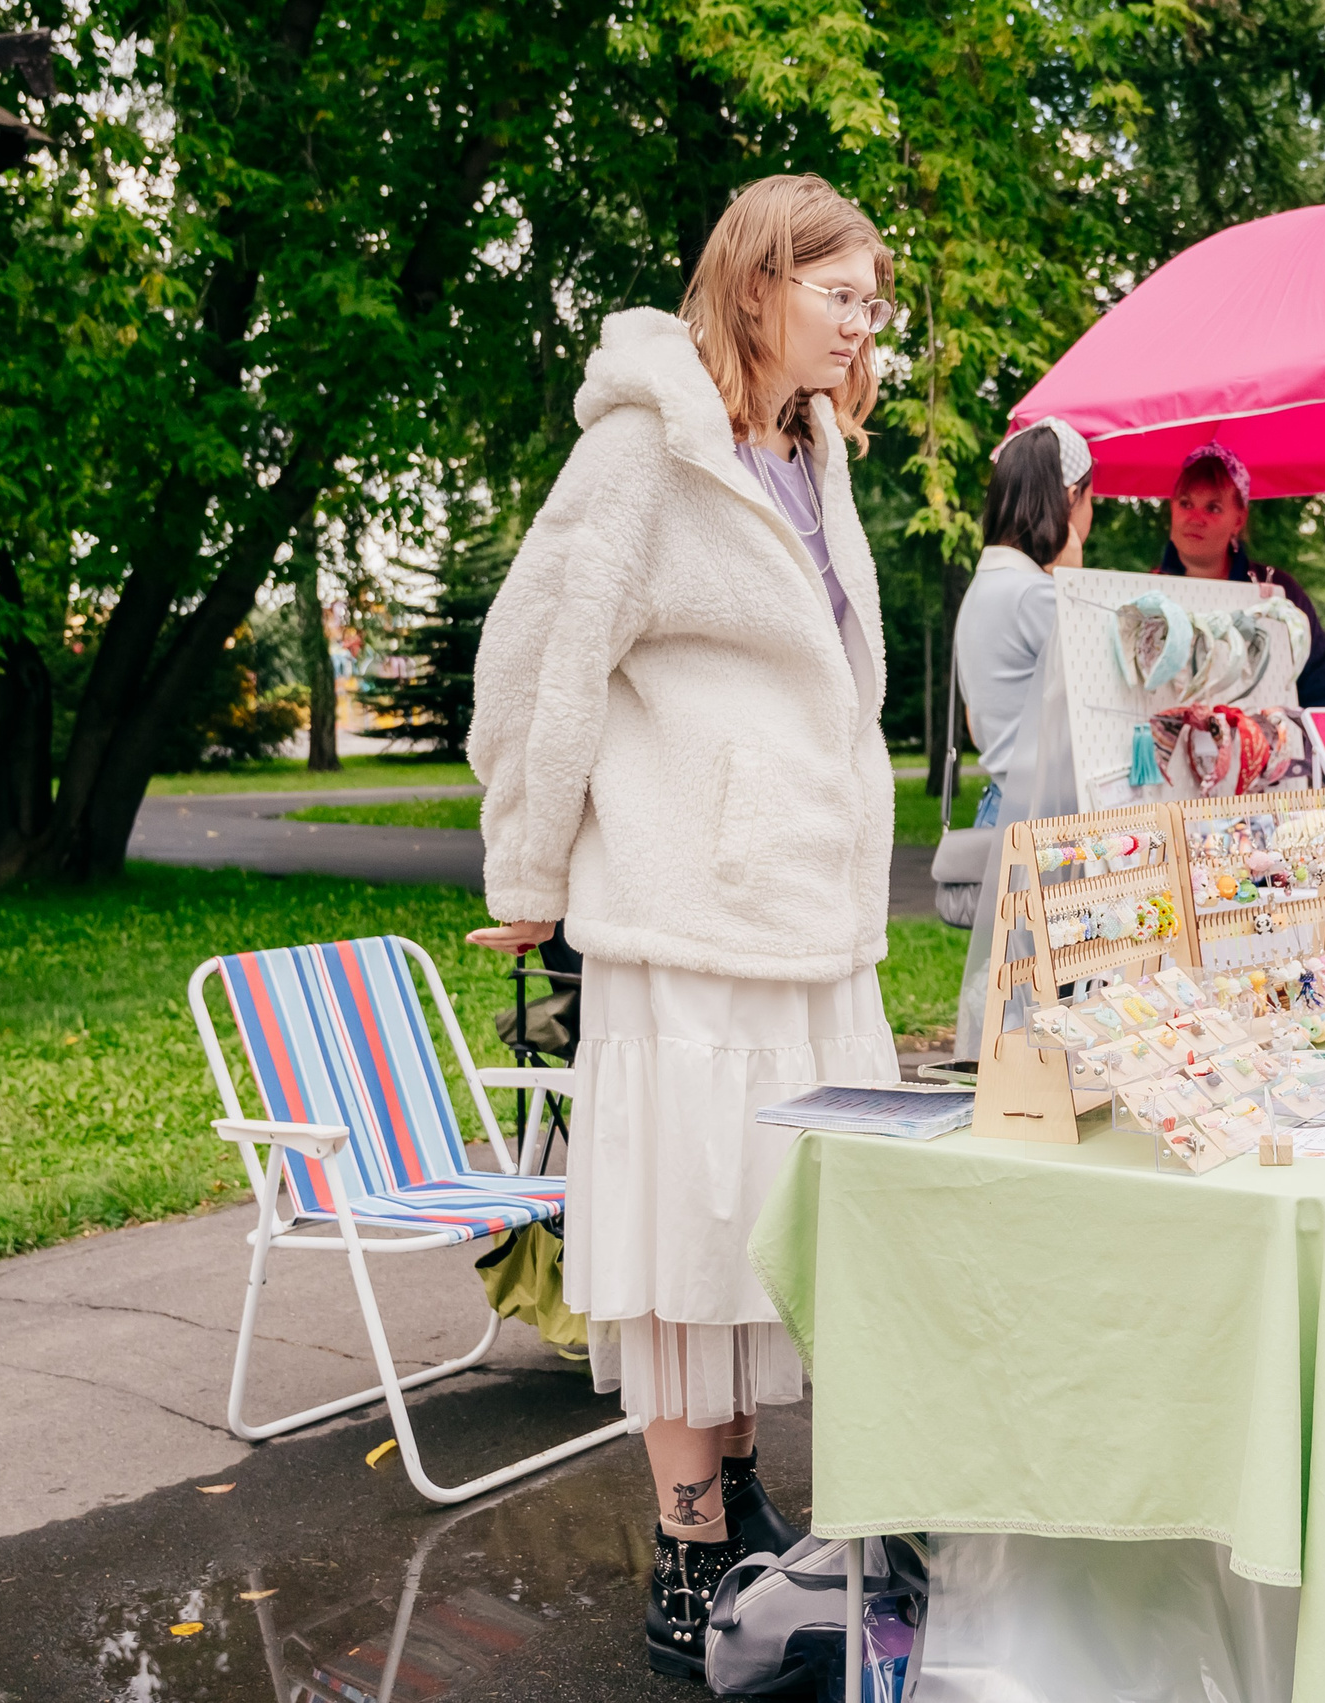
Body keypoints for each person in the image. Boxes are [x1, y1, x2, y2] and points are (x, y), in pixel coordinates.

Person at [464, 174, 899, 1676]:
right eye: (840, 295)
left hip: (810, 907)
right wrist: (526, 868)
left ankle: (744, 1488)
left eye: (872, 301)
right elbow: (540, 657)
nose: (863, 325)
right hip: (689, 907)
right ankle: (687, 1540)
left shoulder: (811, 447)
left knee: (769, 1216)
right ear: (758, 282)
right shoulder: (643, 450)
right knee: (682, 1221)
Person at [949, 416, 1095, 1050]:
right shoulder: (1036, 595)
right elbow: (1093, 695)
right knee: (1046, 1010)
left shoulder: (987, 586)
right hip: (1044, 817)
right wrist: (1074, 579)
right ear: (1069, 498)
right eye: (1090, 500)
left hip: (1003, 801)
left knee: (1016, 994)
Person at [1156, 441, 1325, 706]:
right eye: (1186, 504)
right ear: (1172, 508)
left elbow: (1323, 694)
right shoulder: (1147, 596)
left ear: (1238, 520)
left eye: (1213, 508)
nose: (1195, 518)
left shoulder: (1280, 593)